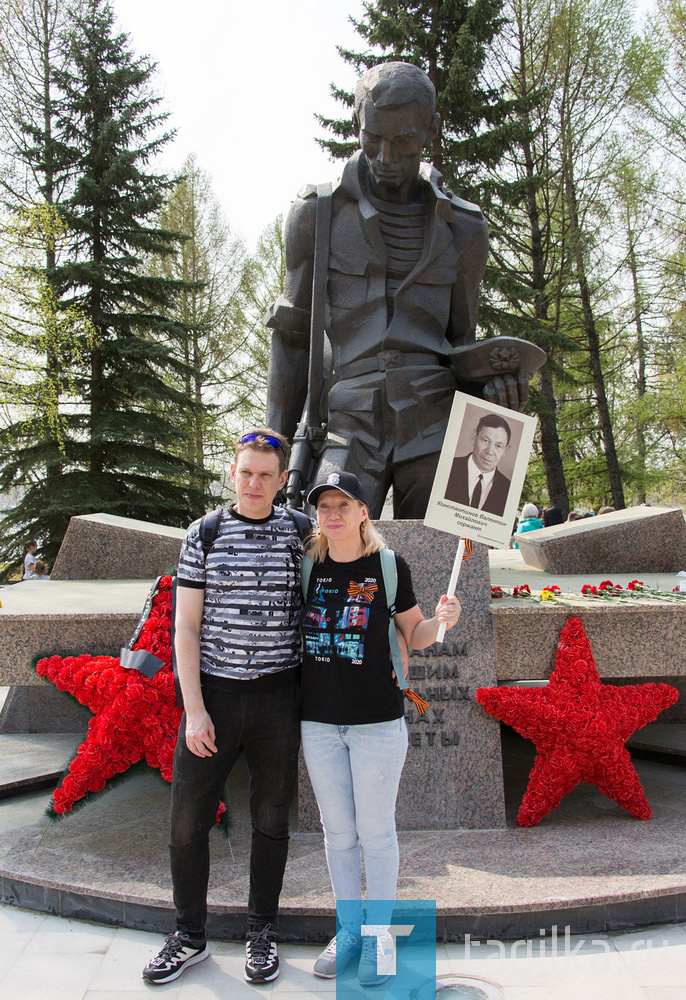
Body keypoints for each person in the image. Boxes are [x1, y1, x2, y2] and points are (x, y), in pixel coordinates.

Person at [265, 61, 540, 518]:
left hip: (435, 424)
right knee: (326, 555)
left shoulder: (465, 227)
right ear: (359, 126)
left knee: (444, 568)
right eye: (373, 139)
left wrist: (498, 391)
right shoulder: (315, 213)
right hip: (349, 425)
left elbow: (461, 344)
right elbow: (293, 336)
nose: (385, 157)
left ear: (431, 130)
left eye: (404, 141)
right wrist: (272, 447)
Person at [142, 429, 306, 987]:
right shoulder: (204, 534)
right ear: (231, 474)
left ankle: (262, 933)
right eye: (246, 472)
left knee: (271, 820)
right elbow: (185, 626)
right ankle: (189, 934)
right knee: (187, 821)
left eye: (267, 474)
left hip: (280, 700)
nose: (255, 483)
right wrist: (195, 710)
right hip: (213, 696)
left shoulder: (299, 534)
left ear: (282, 481)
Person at [300, 471, 461, 986]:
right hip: (318, 722)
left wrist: (443, 623)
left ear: (363, 511)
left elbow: (414, 635)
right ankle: (349, 930)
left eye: (343, 504)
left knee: (375, 832)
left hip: (376, 721)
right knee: (338, 834)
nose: (333, 514)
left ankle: (379, 937)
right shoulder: (308, 564)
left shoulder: (388, 566)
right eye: (325, 505)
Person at [444, 414, 512, 517]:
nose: (489, 451)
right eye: (485, 441)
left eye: (498, 446)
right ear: (474, 438)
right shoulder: (446, 468)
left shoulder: (509, 490)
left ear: (506, 450)